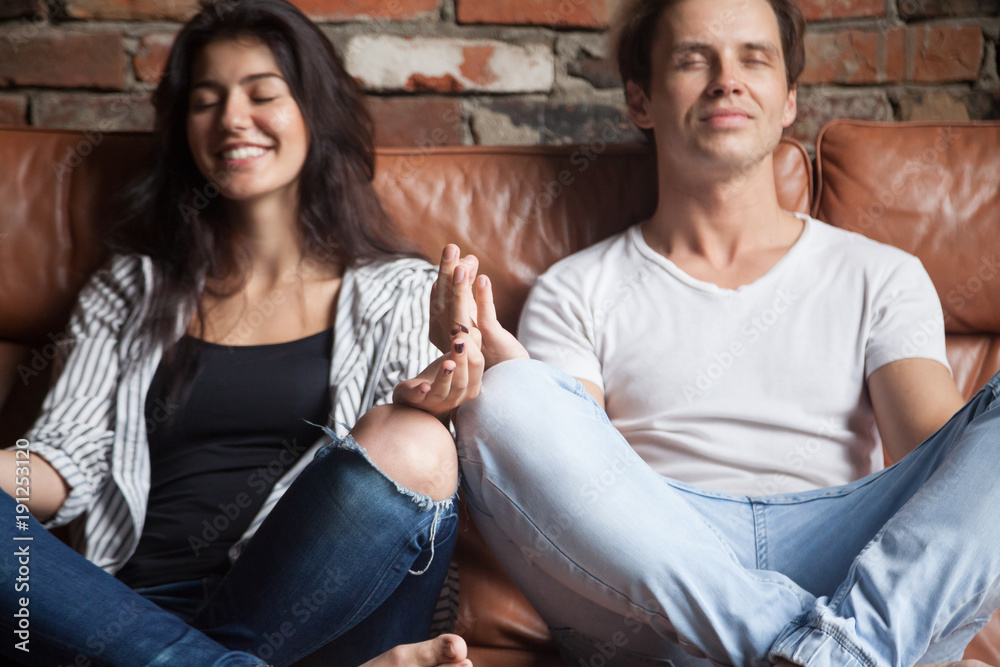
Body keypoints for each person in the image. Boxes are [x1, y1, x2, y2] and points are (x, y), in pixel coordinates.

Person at [435, 0, 1000, 665]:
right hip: (660, 588)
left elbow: (938, 471)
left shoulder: (882, 275)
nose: (726, 79)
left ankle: (838, 644)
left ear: (789, 98)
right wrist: (518, 380)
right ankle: (823, 651)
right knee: (503, 398)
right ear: (640, 100)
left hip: (857, 573)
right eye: (693, 58)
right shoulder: (576, 287)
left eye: (753, 58)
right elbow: (583, 497)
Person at [0, 0, 485, 665]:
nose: (231, 119)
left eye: (262, 94)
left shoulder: (400, 291)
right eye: (205, 101)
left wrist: (432, 400)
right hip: (127, 615)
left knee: (415, 438)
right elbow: (62, 458)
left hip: (312, 609)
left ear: (314, 110)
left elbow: (395, 489)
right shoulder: (131, 289)